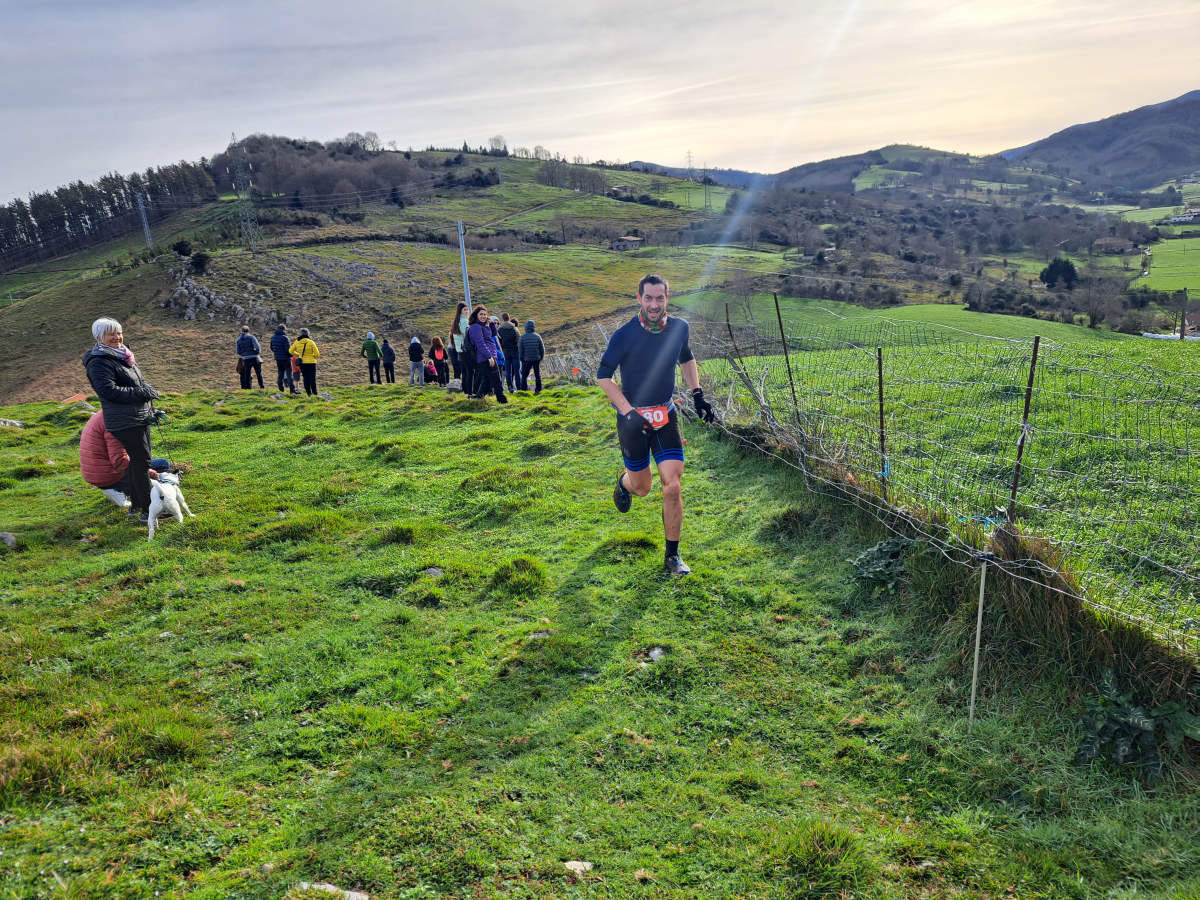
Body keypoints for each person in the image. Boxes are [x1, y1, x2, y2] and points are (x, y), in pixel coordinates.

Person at [597, 275, 715, 576]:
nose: (653, 304)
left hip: (665, 415)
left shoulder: (679, 329)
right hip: (633, 420)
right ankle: (624, 483)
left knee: (672, 486)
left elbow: (686, 359)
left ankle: (672, 556)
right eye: (648, 298)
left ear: (667, 298)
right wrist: (627, 411)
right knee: (643, 487)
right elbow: (603, 377)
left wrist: (698, 395)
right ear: (639, 298)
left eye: (659, 298)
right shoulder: (624, 335)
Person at [82, 317, 161, 525]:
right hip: (125, 420)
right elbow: (108, 391)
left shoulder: (123, 356)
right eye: (111, 334)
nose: (117, 337)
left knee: (138, 463)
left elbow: (137, 383)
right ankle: (148, 511)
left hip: (137, 416)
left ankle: (136, 508)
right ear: (100, 338)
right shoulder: (98, 362)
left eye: (119, 333)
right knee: (142, 462)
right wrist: (141, 392)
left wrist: (149, 405)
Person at [79, 410, 162, 509]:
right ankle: (119, 490)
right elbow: (120, 462)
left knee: (161, 463)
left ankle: (117, 488)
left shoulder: (103, 414)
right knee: (160, 469)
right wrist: (148, 472)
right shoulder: (114, 423)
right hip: (109, 475)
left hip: (96, 473)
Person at [466, 304, 507, 403]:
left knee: (487, 380)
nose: (483, 316)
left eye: (485, 314)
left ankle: (478, 397)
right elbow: (480, 344)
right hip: (485, 357)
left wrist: (491, 324)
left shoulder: (484, 326)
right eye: (481, 314)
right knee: (496, 379)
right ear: (476, 315)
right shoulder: (475, 327)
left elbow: (493, 334)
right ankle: (502, 400)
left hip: (490, 356)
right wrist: (489, 357)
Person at [289, 328, 320, 396]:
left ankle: (308, 393)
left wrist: (298, 354)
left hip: (302, 363)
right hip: (312, 363)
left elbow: (290, 351)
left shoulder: (297, 342)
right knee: (312, 378)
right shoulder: (311, 342)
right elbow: (317, 354)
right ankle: (315, 393)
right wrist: (313, 357)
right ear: (308, 334)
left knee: (305, 378)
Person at [449, 301, 472, 392]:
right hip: (466, 350)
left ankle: (465, 391)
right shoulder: (464, 322)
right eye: (465, 310)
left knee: (465, 372)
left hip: (459, 351)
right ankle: (469, 391)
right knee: (469, 372)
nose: (467, 312)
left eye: (467, 310)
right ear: (460, 311)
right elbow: (468, 336)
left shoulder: (456, 322)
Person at [518, 319, 545, 393]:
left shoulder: (522, 337)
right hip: (536, 358)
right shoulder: (537, 336)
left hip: (526, 359)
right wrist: (541, 357)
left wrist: (521, 359)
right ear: (533, 327)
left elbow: (520, 350)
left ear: (526, 327)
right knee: (537, 374)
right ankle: (538, 389)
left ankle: (524, 390)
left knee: (524, 375)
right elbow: (542, 348)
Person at [269, 324, 298, 393]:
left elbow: (271, 348)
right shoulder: (285, 338)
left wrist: (277, 353)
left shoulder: (273, 337)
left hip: (278, 358)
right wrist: (290, 355)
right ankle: (292, 390)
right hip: (286, 358)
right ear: (284, 329)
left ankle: (281, 388)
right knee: (289, 374)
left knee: (280, 373)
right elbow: (288, 349)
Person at [497, 313, 520, 392]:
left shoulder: (499, 329)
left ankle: (510, 387)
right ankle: (519, 387)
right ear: (509, 318)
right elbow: (518, 339)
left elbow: (498, 341)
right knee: (516, 370)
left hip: (505, 352)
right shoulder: (514, 328)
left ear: (502, 319)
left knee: (508, 371)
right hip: (514, 351)